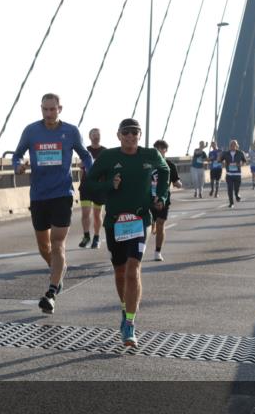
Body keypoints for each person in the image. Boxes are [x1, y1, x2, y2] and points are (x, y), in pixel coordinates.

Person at [84, 119, 169, 347]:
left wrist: (161, 196)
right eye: (126, 133)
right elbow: (88, 185)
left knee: (133, 270)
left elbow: (165, 170)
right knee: (120, 272)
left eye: (135, 133)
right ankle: (125, 310)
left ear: (140, 135)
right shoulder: (109, 157)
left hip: (141, 220)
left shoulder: (150, 155)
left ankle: (130, 323)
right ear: (118, 135)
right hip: (114, 223)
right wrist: (109, 185)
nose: (131, 137)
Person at [12, 93, 93, 314]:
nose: (48, 113)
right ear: (41, 109)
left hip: (62, 194)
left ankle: (52, 291)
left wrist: (91, 170)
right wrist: (18, 166)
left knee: (58, 244)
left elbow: (85, 156)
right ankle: (58, 270)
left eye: (52, 109)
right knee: (44, 246)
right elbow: (17, 155)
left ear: (60, 109)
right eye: (45, 109)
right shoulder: (31, 131)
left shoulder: (70, 131)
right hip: (39, 195)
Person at [151, 140, 182, 261]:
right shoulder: (148, 164)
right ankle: (139, 251)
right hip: (149, 199)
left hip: (163, 200)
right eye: (156, 149)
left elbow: (176, 182)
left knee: (160, 224)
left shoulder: (170, 165)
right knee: (147, 226)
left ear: (165, 150)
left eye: (161, 149)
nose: (159, 151)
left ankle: (157, 252)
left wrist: (179, 184)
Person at [78, 128, 107, 249]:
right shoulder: (85, 150)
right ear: (90, 137)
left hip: (99, 187)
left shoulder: (105, 151)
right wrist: (81, 165)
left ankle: (96, 237)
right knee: (85, 213)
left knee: (97, 214)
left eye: (98, 135)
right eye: (94, 135)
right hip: (86, 186)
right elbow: (80, 167)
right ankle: (86, 236)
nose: (96, 137)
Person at [220, 139, 247, 208]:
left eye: (234, 145)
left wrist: (241, 164)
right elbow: (220, 160)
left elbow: (244, 161)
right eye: (231, 145)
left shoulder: (240, 153)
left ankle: (237, 194)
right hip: (229, 174)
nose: (232, 146)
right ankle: (231, 203)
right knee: (230, 189)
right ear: (229, 146)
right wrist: (223, 163)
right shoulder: (226, 153)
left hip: (237, 175)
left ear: (237, 146)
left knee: (236, 189)